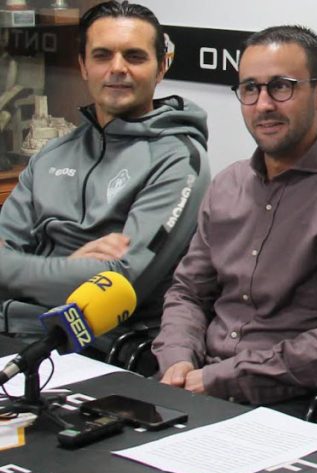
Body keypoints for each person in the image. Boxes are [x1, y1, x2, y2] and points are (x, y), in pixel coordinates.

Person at [151, 25, 317, 417]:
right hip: (194, 385)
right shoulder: (227, 185)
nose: (263, 104)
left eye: (281, 87)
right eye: (250, 88)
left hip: (288, 405)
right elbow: (187, 292)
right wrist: (178, 360)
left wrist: (222, 378)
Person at [0, 1, 210, 340]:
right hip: (12, 331)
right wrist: (72, 270)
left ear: (161, 67)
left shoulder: (179, 160)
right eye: (102, 55)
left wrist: (17, 271)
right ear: (83, 66)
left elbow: (121, 283)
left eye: (134, 56)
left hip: (97, 347)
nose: (117, 68)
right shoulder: (52, 154)